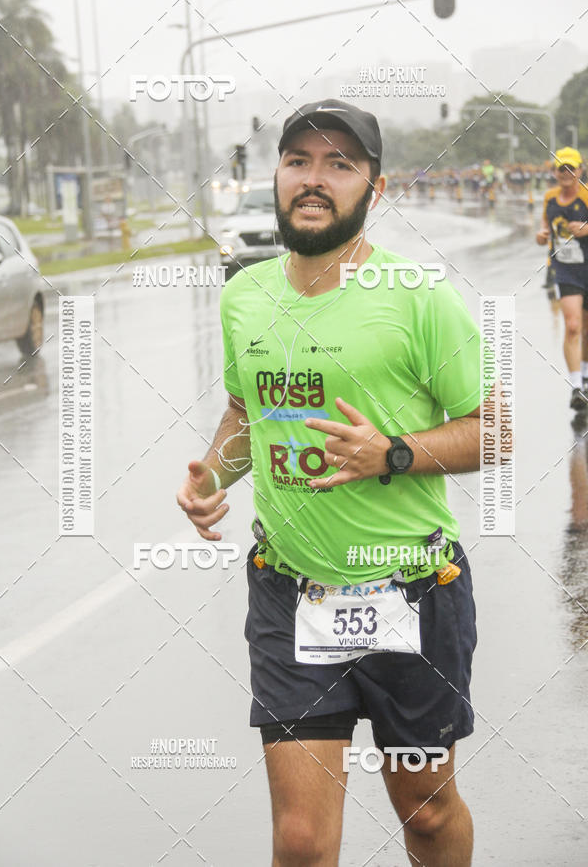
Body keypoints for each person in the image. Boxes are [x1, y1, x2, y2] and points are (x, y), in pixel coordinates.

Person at [177, 99, 483, 867]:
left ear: (372, 190)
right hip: (290, 596)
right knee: (303, 840)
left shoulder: (419, 296)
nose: (315, 180)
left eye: (339, 164)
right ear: (277, 175)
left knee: (427, 812)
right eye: (299, 161)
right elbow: (247, 412)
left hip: (411, 593)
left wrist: (395, 453)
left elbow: (495, 428)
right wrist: (213, 474)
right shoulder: (245, 296)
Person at [537, 147, 588, 409]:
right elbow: (546, 225)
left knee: (586, 329)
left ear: (580, 170)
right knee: (572, 325)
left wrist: (586, 229)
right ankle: (577, 387)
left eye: (571, 168)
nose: (566, 173)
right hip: (566, 269)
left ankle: (586, 375)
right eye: (561, 168)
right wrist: (541, 234)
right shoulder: (549, 197)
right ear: (555, 172)